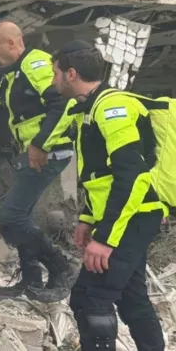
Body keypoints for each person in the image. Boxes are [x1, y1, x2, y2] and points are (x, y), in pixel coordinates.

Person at [51, 40, 166, 350]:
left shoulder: (112, 108)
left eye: (55, 73)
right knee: (131, 298)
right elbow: (101, 177)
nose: (53, 80)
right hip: (129, 216)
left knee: (90, 298)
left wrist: (105, 239)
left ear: (71, 74)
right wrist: (88, 218)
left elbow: (132, 175)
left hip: (133, 216)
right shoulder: (90, 109)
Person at [0, 21, 76, 301]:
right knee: (18, 218)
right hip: (32, 152)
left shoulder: (35, 64)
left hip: (48, 151)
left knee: (12, 216)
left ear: (12, 43)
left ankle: (62, 268)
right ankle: (31, 279)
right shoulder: (13, 73)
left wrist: (40, 144)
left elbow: (62, 104)